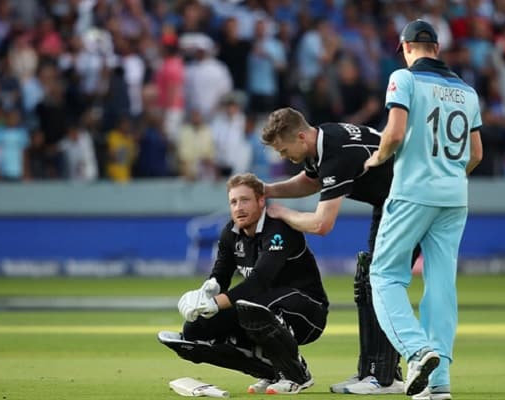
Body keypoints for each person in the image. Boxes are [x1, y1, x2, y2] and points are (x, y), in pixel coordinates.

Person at [363, 20, 483, 400]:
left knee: (383, 275)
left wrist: (377, 158)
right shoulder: (467, 91)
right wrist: (448, 176)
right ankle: (439, 382)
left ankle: (417, 351)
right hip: (455, 196)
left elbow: (395, 133)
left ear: (406, 47)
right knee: (442, 285)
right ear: (437, 48)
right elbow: (476, 154)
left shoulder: (404, 78)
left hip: (413, 191)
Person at [261, 107, 416, 395]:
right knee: (368, 279)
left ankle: (384, 377)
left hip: (409, 204)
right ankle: (373, 371)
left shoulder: (336, 154)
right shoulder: (324, 137)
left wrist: (282, 213)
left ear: (300, 136)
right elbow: (311, 181)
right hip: (392, 203)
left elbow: (321, 224)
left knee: (381, 282)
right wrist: (268, 190)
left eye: (283, 150)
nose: (283, 157)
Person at [158, 173, 328, 395]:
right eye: (233, 202)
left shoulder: (279, 230)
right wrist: (205, 293)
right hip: (260, 308)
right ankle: (270, 370)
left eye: (245, 200)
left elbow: (259, 281)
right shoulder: (231, 233)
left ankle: (295, 374)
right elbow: (220, 275)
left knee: (253, 308)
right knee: (195, 330)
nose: (239, 207)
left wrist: (216, 303)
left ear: (261, 201)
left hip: (308, 312)